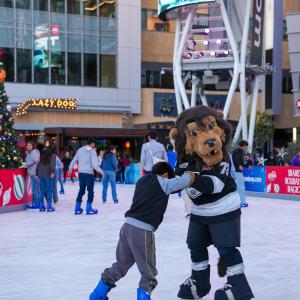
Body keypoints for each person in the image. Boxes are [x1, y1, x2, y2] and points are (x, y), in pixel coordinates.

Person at [89, 162, 194, 300]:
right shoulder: (163, 182)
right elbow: (184, 181)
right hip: (142, 231)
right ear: (165, 175)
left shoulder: (142, 181)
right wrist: (193, 172)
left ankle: (97, 295)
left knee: (121, 265)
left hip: (127, 227)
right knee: (148, 272)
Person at [69, 137, 102, 215]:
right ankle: (88, 208)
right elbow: (94, 164)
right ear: (92, 143)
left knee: (81, 190)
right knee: (90, 191)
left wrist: (70, 169)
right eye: (94, 144)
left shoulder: (80, 150)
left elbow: (74, 160)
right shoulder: (92, 151)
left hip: (81, 173)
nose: (94, 146)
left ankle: (77, 208)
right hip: (89, 174)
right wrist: (101, 171)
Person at [37, 146, 56, 212]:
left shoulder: (43, 155)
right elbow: (52, 164)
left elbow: (38, 164)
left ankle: (41, 206)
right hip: (48, 174)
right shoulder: (52, 155)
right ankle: (49, 206)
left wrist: (37, 173)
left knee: (42, 190)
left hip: (40, 174)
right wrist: (52, 172)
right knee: (49, 190)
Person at [232, 140, 249, 207]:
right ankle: (242, 202)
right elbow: (238, 159)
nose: (246, 148)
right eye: (246, 147)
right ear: (243, 145)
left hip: (237, 171)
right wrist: (240, 165)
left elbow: (239, 159)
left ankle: (239, 201)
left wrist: (244, 161)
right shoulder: (239, 151)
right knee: (241, 187)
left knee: (239, 187)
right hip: (237, 172)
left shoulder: (237, 151)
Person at [24, 141, 40, 209]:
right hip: (32, 173)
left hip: (35, 173)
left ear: (33, 146)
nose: (28, 146)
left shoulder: (34, 152)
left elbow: (35, 160)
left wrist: (25, 165)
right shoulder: (30, 153)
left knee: (35, 189)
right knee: (35, 188)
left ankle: (36, 204)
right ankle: (36, 203)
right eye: (27, 145)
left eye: (29, 145)